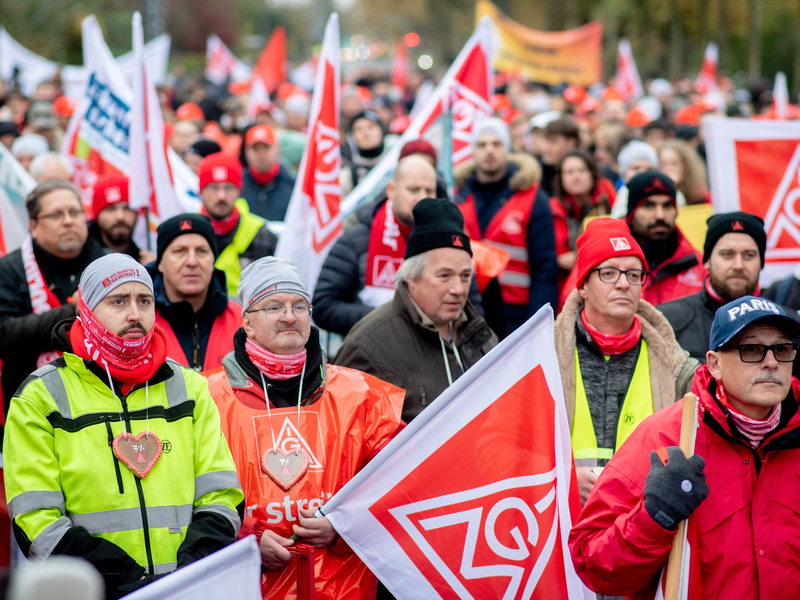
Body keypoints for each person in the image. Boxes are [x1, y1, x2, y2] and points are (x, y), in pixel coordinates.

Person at [4, 254, 244, 599]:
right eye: (118, 300)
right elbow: (35, 518)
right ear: (86, 310)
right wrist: (124, 580)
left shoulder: (190, 386)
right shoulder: (40, 396)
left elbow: (222, 495)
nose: (135, 314)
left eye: (144, 300)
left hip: (186, 588)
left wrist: (188, 572)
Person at [569, 295, 800, 599]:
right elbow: (592, 563)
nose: (771, 362)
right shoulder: (667, 437)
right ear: (714, 364)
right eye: (752, 349)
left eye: (782, 349)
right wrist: (654, 517)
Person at [204, 257, 404, 599]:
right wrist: (245, 540)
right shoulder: (207, 396)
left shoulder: (360, 395)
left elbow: (397, 482)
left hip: (342, 588)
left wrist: (343, 525)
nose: (289, 316)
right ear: (248, 323)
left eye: (299, 306)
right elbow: (189, 492)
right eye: (273, 307)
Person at [555, 218, 698, 505]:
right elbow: (509, 448)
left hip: (642, 527)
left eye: (634, 275)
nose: (623, 284)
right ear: (583, 285)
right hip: (563, 524)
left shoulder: (676, 366)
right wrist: (565, 477)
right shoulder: (544, 357)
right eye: (609, 273)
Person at [336, 199, 498, 423]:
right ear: (411, 277)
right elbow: (344, 438)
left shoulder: (482, 336)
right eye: (444, 276)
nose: (458, 289)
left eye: (465, 276)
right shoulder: (367, 345)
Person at [0, 180, 107, 405]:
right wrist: (73, 311)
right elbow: (5, 333)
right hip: (32, 404)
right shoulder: (9, 269)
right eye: (56, 215)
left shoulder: (110, 264)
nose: (68, 221)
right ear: (34, 226)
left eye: (74, 212)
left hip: (105, 400)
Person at [312, 155, 438, 336]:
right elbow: (323, 306)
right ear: (392, 190)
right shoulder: (357, 240)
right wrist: (386, 318)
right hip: (369, 355)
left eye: (429, 191)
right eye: (414, 189)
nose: (422, 198)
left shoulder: (445, 244)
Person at [455, 116, 558, 335]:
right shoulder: (459, 199)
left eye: (496, 143)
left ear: (507, 149)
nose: (489, 150)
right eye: (482, 144)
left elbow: (545, 270)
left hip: (517, 316)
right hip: (466, 313)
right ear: (473, 150)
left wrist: (535, 327)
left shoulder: (533, 198)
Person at [659, 212, 765, 362]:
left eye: (749, 255)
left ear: (761, 263)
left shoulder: (787, 323)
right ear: (707, 260)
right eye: (727, 254)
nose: (738, 265)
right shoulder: (667, 320)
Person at [152, 214, 242, 371]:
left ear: (213, 260)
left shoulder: (243, 320)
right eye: (180, 251)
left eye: (201, 251)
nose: (192, 262)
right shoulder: (141, 323)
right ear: (160, 263)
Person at [197, 152, 278, 297]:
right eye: (214, 188)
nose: (221, 196)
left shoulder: (261, 235)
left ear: (239, 191)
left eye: (228, 188)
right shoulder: (186, 233)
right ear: (201, 191)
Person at [626, 170, 705, 304]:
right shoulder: (607, 263)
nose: (660, 215)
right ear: (631, 214)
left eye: (667, 205)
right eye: (649, 205)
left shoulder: (700, 265)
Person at [551, 149, 617, 273]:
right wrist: (557, 259)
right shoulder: (552, 209)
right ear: (561, 178)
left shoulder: (607, 201)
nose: (576, 177)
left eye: (582, 170)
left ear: (592, 174)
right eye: (569, 172)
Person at [89, 174, 155, 263]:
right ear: (97, 215)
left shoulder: (146, 256)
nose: (120, 216)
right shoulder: (77, 254)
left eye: (127, 208)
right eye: (110, 209)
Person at [240, 124, 296, 222]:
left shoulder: (293, 185)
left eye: (266, 148)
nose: (261, 154)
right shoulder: (237, 186)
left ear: (277, 149)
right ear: (246, 152)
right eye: (255, 149)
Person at [340, 111, 392, 197]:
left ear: (382, 130)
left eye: (371, 127)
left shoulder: (395, 164)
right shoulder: (348, 176)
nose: (366, 133)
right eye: (359, 129)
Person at [658, 139, 711, 205]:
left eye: (674, 163)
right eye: (663, 164)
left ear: (687, 166)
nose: (668, 168)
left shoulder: (702, 196)